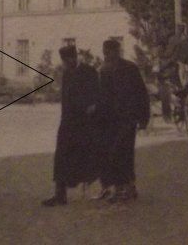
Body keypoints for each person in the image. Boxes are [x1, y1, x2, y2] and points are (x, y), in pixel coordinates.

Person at [42, 45, 101, 207]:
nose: (69, 62)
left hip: (85, 123)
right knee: (61, 157)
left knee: (89, 156)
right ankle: (60, 195)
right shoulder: (66, 73)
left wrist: (93, 105)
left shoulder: (89, 71)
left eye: (71, 59)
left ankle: (104, 188)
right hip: (68, 122)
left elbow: (97, 93)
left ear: (75, 57)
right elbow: (66, 98)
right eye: (66, 60)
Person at [98, 39, 150, 203]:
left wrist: (144, 118)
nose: (106, 55)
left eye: (109, 52)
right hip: (110, 120)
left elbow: (141, 93)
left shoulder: (130, 68)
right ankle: (123, 188)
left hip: (128, 117)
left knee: (124, 152)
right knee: (114, 153)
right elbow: (101, 97)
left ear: (117, 51)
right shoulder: (103, 71)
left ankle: (127, 187)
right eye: (105, 52)